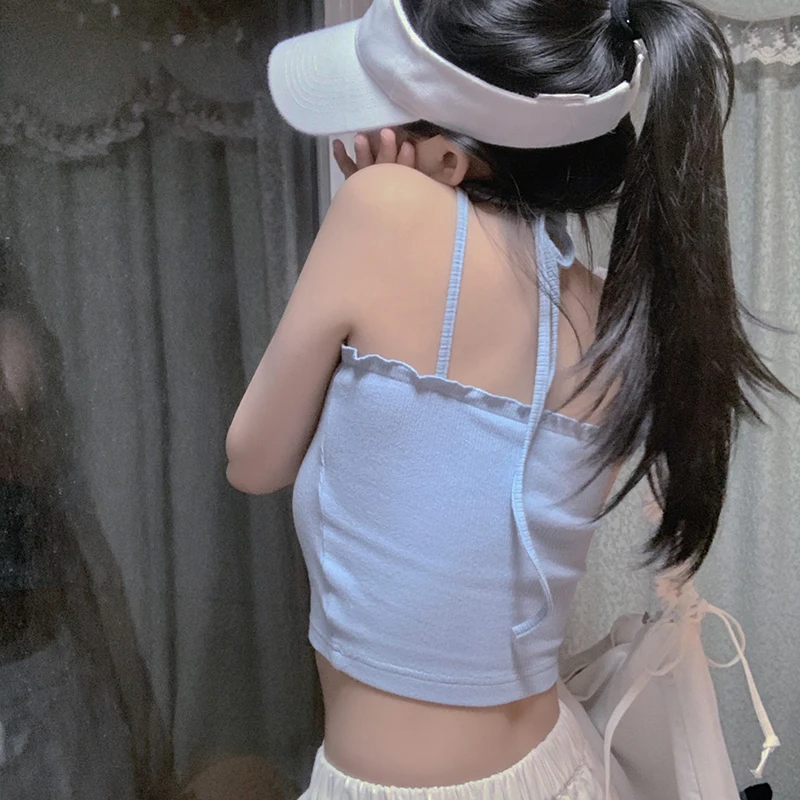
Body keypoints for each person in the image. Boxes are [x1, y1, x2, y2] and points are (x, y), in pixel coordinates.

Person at [226, 0, 790, 798]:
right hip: (560, 770)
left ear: (452, 159)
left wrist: (379, 210)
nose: (362, 133)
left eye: (384, 110)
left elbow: (252, 461)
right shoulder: (612, 314)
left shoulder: (383, 210)